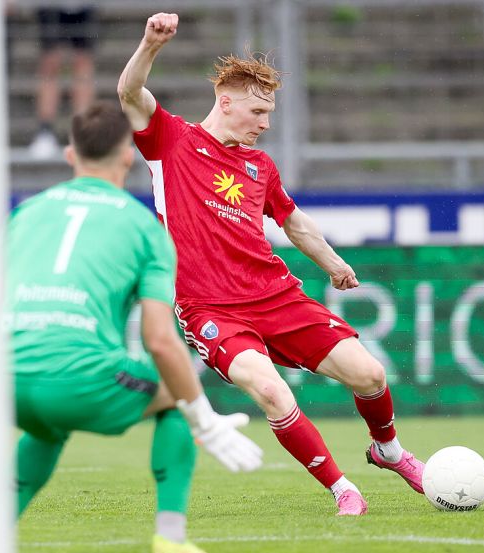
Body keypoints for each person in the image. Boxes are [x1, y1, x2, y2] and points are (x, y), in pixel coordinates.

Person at [117, 13, 424, 517]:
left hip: (276, 296)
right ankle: (342, 489)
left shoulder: (260, 166)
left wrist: (333, 264)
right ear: (225, 102)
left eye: (270, 114)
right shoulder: (171, 140)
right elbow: (130, 93)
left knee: (368, 374)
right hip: (210, 307)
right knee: (270, 390)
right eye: (258, 111)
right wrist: (150, 44)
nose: (265, 124)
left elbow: (294, 223)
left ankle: (387, 450)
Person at [7, 101, 263, 553]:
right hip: (77, 378)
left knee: (46, 429)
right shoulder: (145, 229)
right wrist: (203, 420)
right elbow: (160, 341)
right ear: (128, 156)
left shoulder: (25, 215)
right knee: (176, 394)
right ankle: (170, 538)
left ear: (70, 154)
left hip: (3, 381)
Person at [25, 4, 98, 158]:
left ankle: (82, 133)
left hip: (82, 6)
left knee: (82, 63)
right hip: (51, 6)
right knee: (50, 61)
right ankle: (45, 132)